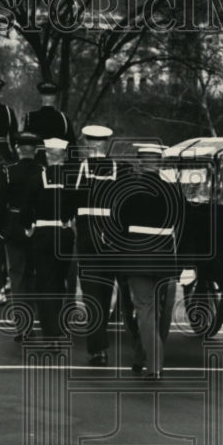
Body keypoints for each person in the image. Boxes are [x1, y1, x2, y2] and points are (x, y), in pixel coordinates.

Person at [120, 145, 183, 380]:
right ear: (160, 163)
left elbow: (120, 222)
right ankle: (140, 358)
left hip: (137, 256)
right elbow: (179, 223)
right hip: (163, 257)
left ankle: (155, 366)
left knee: (145, 311)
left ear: (139, 162)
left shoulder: (129, 189)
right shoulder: (172, 191)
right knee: (153, 311)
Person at [72, 124, 121, 366]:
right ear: (105, 144)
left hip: (88, 237)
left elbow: (73, 201)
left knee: (91, 293)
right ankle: (99, 341)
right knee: (104, 290)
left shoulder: (82, 168)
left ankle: (98, 348)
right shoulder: (118, 168)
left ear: (90, 144)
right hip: (111, 237)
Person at [0, 132, 44, 341]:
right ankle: (30, 323)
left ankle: (21, 324)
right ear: (36, 150)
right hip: (37, 228)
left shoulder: (8, 171)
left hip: (14, 228)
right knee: (32, 276)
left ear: (18, 149)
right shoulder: (43, 171)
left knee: (16, 276)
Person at [27, 138, 79, 338]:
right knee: (59, 283)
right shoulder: (72, 179)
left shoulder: (37, 178)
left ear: (48, 155)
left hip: (43, 235)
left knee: (44, 283)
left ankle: (50, 333)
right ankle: (58, 328)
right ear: (64, 156)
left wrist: (28, 226)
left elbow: (26, 210)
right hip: (65, 235)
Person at [23, 81, 76, 165]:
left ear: (41, 96)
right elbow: (72, 146)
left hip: (36, 163)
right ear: (54, 97)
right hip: (57, 163)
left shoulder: (30, 117)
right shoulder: (64, 118)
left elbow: (25, 144)